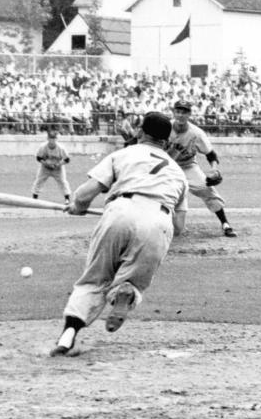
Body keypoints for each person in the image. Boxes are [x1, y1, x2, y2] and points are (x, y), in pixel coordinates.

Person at [53, 111, 189, 356]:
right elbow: (179, 226)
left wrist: (77, 207)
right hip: (160, 220)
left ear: (141, 132)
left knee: (94, 279)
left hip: (121, 210)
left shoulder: (123, 154)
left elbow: (85, 195)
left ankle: (68, 334)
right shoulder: (179, 173)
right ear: (166, 140)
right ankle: (124, 292)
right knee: (132, 281)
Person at [166, 103, 237, 239]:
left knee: (207, 189)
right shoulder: (165, 127)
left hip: (188, 166)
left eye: (184, 112)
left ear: (189, 114)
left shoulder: (196, 133)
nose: (181, 115)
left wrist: (214, 170)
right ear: (174, 112)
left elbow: (211, 154)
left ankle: (225, 224)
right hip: (167, 166)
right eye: (178, 111)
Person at [31, 128, 71, 202]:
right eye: (50, 138)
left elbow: (67, 159)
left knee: (63, 182)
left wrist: (58, 165)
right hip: (45, 168)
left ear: (57, 139)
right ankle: (34, 199)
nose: (52, 141)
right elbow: (38, 158)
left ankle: (67, 199)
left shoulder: (61, 148)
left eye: (54, 138)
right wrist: (46, 164)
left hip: (58, 168)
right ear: (47, 138)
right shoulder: (43, 147)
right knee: (39, 181)